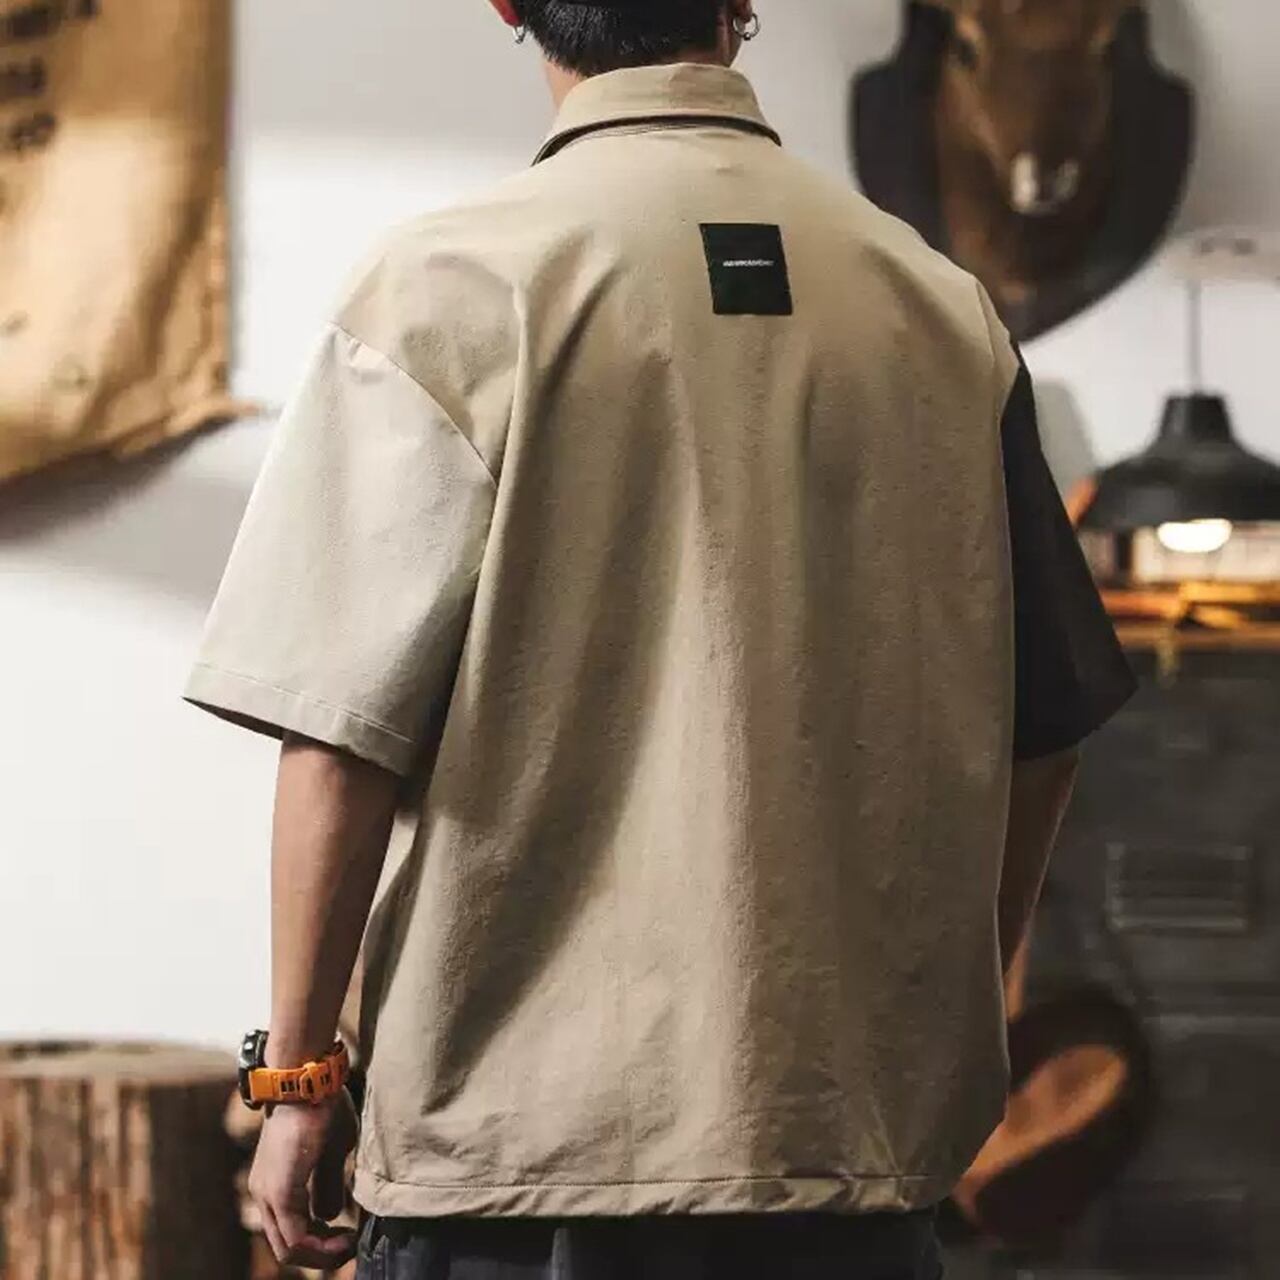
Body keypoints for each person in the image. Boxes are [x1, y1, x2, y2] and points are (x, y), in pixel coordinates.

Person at [186, 1, 1136, 1276]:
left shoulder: (441, 290)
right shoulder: (937, 308)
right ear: (739, 2)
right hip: (843, 1157)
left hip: (515, 1162)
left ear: (508, 1)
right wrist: (940, 1036)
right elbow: (1045, 733)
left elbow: (337, 738)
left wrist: (298, 1081)